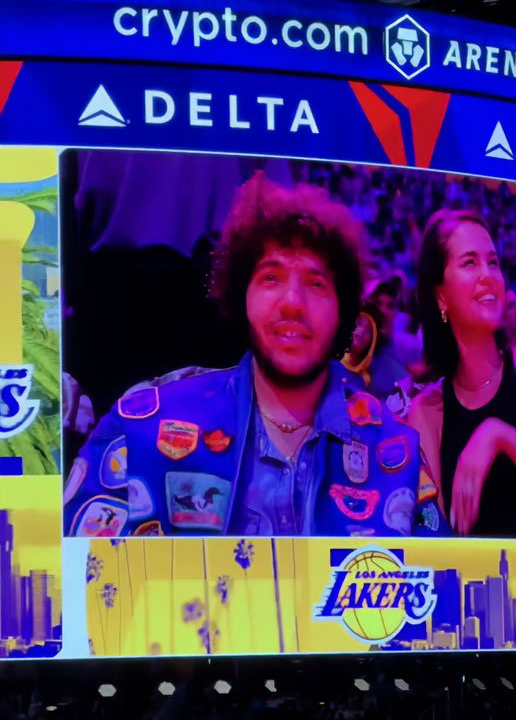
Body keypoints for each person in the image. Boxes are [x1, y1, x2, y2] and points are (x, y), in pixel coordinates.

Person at [63, 173, 447, 538]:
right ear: (241, 294)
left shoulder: (398, 455)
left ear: (342, 311)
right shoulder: (140, 426)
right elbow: (67, 584)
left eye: (316, 283)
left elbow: (445, 594)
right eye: (271, 277)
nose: (293, 303)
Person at [408, 209, 516, 538]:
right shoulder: (427, 412)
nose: (489, 275)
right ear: (441, 296)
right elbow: (439, 535)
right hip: (474, 585)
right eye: (470, 263)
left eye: (493, 262)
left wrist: (498, 436)